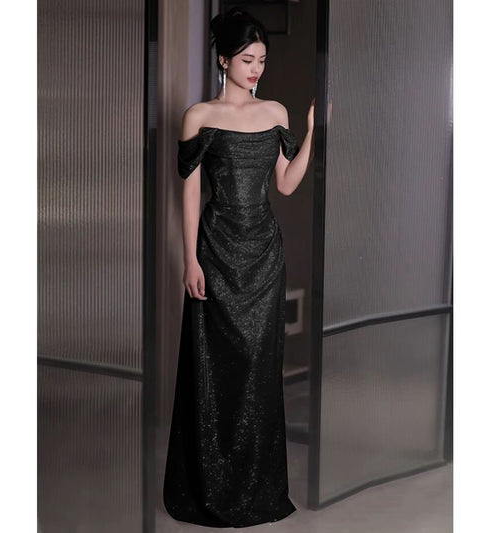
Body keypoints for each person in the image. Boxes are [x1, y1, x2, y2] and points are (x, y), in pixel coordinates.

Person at [163, 7, 314, 528]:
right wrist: (190, 259)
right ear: (224, 60)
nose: (256, 69)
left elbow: (286, 184)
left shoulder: (275, 112)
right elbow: (189, 195)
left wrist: (312, 134)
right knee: (211, 370)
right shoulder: (198, 116)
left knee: (258, 371)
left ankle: (255, 487)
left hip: (264, 257)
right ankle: (210, 486)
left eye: (263, 60)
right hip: (216, 252)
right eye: (248, 59)